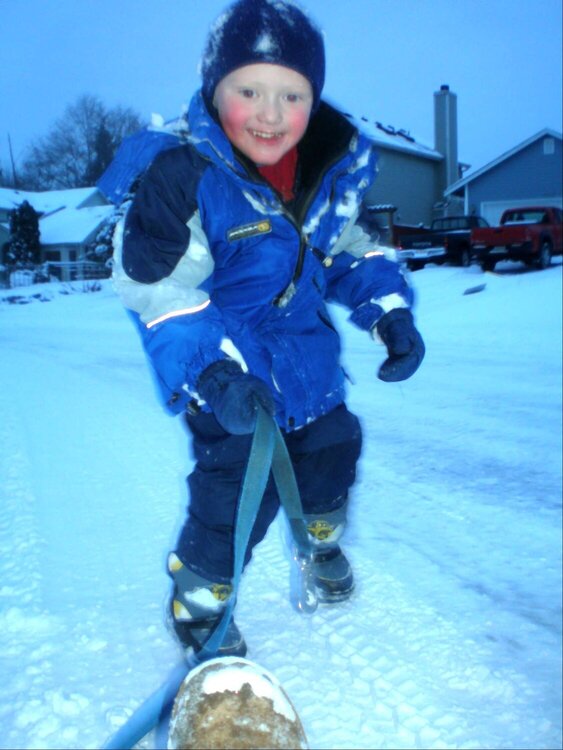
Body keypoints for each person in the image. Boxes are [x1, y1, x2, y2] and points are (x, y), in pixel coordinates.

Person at [112, 0, 425, 659]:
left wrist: (388, 312)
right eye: (247, 90)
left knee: (334, 450)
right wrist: (214, 371)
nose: (270, 112)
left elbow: (347, 250)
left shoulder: (324, 174)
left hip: (309, 366)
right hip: (227, 371)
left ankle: (319, 543)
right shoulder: (186, 177)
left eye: (292, 94)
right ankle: (200, 602)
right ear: (213, 89)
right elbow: (159, 290)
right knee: (234, 492)